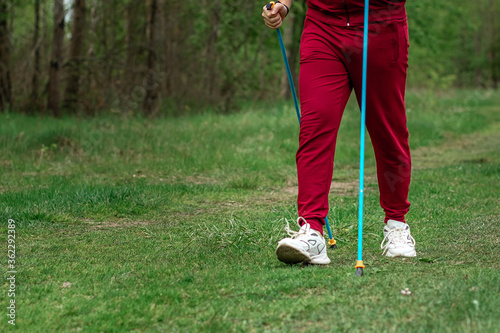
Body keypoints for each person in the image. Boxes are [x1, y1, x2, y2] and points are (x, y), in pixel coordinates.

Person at [262, 0, 416, 265]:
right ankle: (312, 230)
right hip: (323, 26)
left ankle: (396, 224)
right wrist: (283, 4)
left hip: (379, 25)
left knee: (387, 129)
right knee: (315, 126)